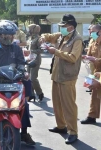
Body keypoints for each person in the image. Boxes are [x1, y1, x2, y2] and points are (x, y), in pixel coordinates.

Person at [0, 20, 35, 145]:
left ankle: (24, 132)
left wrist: (24, 72)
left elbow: (21, 62)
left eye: (10, 35)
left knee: (24, 103)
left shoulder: (16, 48)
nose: (8, 38)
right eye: (5, 35)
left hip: (14, 79)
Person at [40, 14, 83, 144]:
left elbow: (73, 57)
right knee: (57, 104)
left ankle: (73, 132)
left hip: (68, 77)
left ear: (70, 27)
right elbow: (48, 36)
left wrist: (56, 52)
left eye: (63, 26)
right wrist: (43, 38)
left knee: (69, 105)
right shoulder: (62, 35)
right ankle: (61, 126)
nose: (61, 28)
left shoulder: (77, 39)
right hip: (57, 75)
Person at [81, 24, 101, 124]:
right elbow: (89, 54)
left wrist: (96, 59)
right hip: (95, 71)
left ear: (99, 32)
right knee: (94, 94)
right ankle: (92, 116)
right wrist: (86, 57)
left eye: (92, 31)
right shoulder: (93, 42)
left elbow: (95, 58)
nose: (90, 33)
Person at [27, 24, 44, 101]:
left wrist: (31, 51)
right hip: (29, 59)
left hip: (36, 59)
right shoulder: (30, 38)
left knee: (33, 78)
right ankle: (31, 94)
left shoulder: (39, 39)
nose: (28, 30)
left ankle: (40, 93)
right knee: (28, 77)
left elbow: (41, 49)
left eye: (29, 29)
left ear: (33, 30)